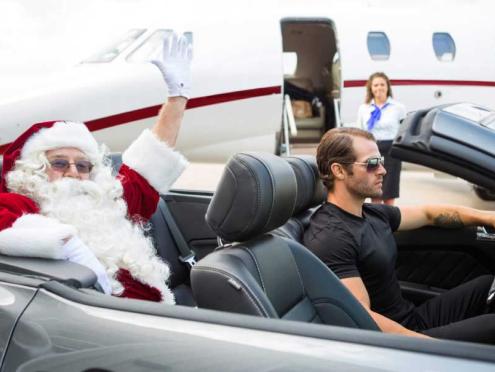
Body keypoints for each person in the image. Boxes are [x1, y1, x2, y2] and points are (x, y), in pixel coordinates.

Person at [0, 32, 192, 304]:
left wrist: (177, 98)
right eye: (58, 163)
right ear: (33, 172)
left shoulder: (105, 203)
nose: (73, 172)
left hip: (154, 316)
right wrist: (70, 246)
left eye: (83, 165)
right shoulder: (23, 203)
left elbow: (149, 165)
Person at [303, 127, 495, 344]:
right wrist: (431, 347)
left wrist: (486, 217)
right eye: (372, 163)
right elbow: (362, 318)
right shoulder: (331, 237)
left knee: (487, 285)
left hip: (412, 320)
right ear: (339, 171)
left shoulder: (372, 213)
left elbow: (429, 214)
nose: (383, 170)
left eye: (381, 161)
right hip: (400, 342)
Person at [356, 72, 405, 205]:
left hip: (391, 150)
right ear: (370, 88)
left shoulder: (398, 108)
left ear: (387, 87)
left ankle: (390, 220)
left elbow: (403, 131)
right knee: (374, 188)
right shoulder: (364, 108)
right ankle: (376, 221)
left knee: (390, 190)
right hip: (372, 149)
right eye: (375, 85)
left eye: (382, 84)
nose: (379, 88)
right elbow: (360, 131)